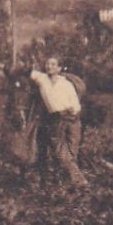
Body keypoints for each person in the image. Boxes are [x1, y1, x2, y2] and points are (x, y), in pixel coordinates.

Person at [29, 57, 87, 187]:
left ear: (59, 68)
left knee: (72, 152)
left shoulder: (66, 84)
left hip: (72, 118)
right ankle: (79, 181)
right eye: (47, 64)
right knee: (62, 153)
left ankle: (64, 181)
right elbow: (27, 71)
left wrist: (74, 111)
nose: (49, 66)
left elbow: (75, 103)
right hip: (56, 119)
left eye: (53, 64)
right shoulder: (42, 79)